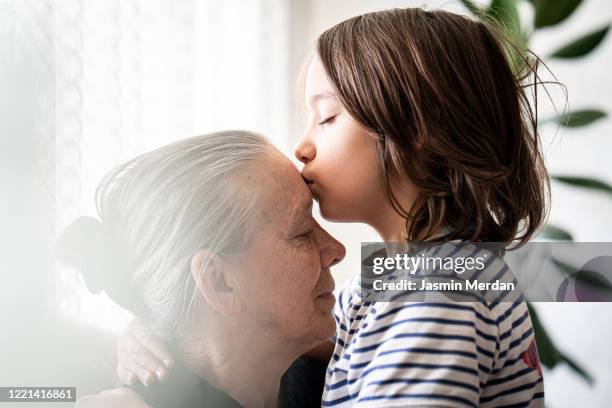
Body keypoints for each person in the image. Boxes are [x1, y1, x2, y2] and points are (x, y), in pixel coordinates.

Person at [119, 7, 549, 407]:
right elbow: (290, 330)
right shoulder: (403, 275)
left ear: (418, 125)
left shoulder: (436, 294)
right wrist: (155, 328)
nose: (302, 147)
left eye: (326, 118)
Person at [57, 131, 346, 408]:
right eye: (303, 232)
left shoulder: (328, 364)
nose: (337, 250)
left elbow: (383, 295)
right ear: (219, 282)